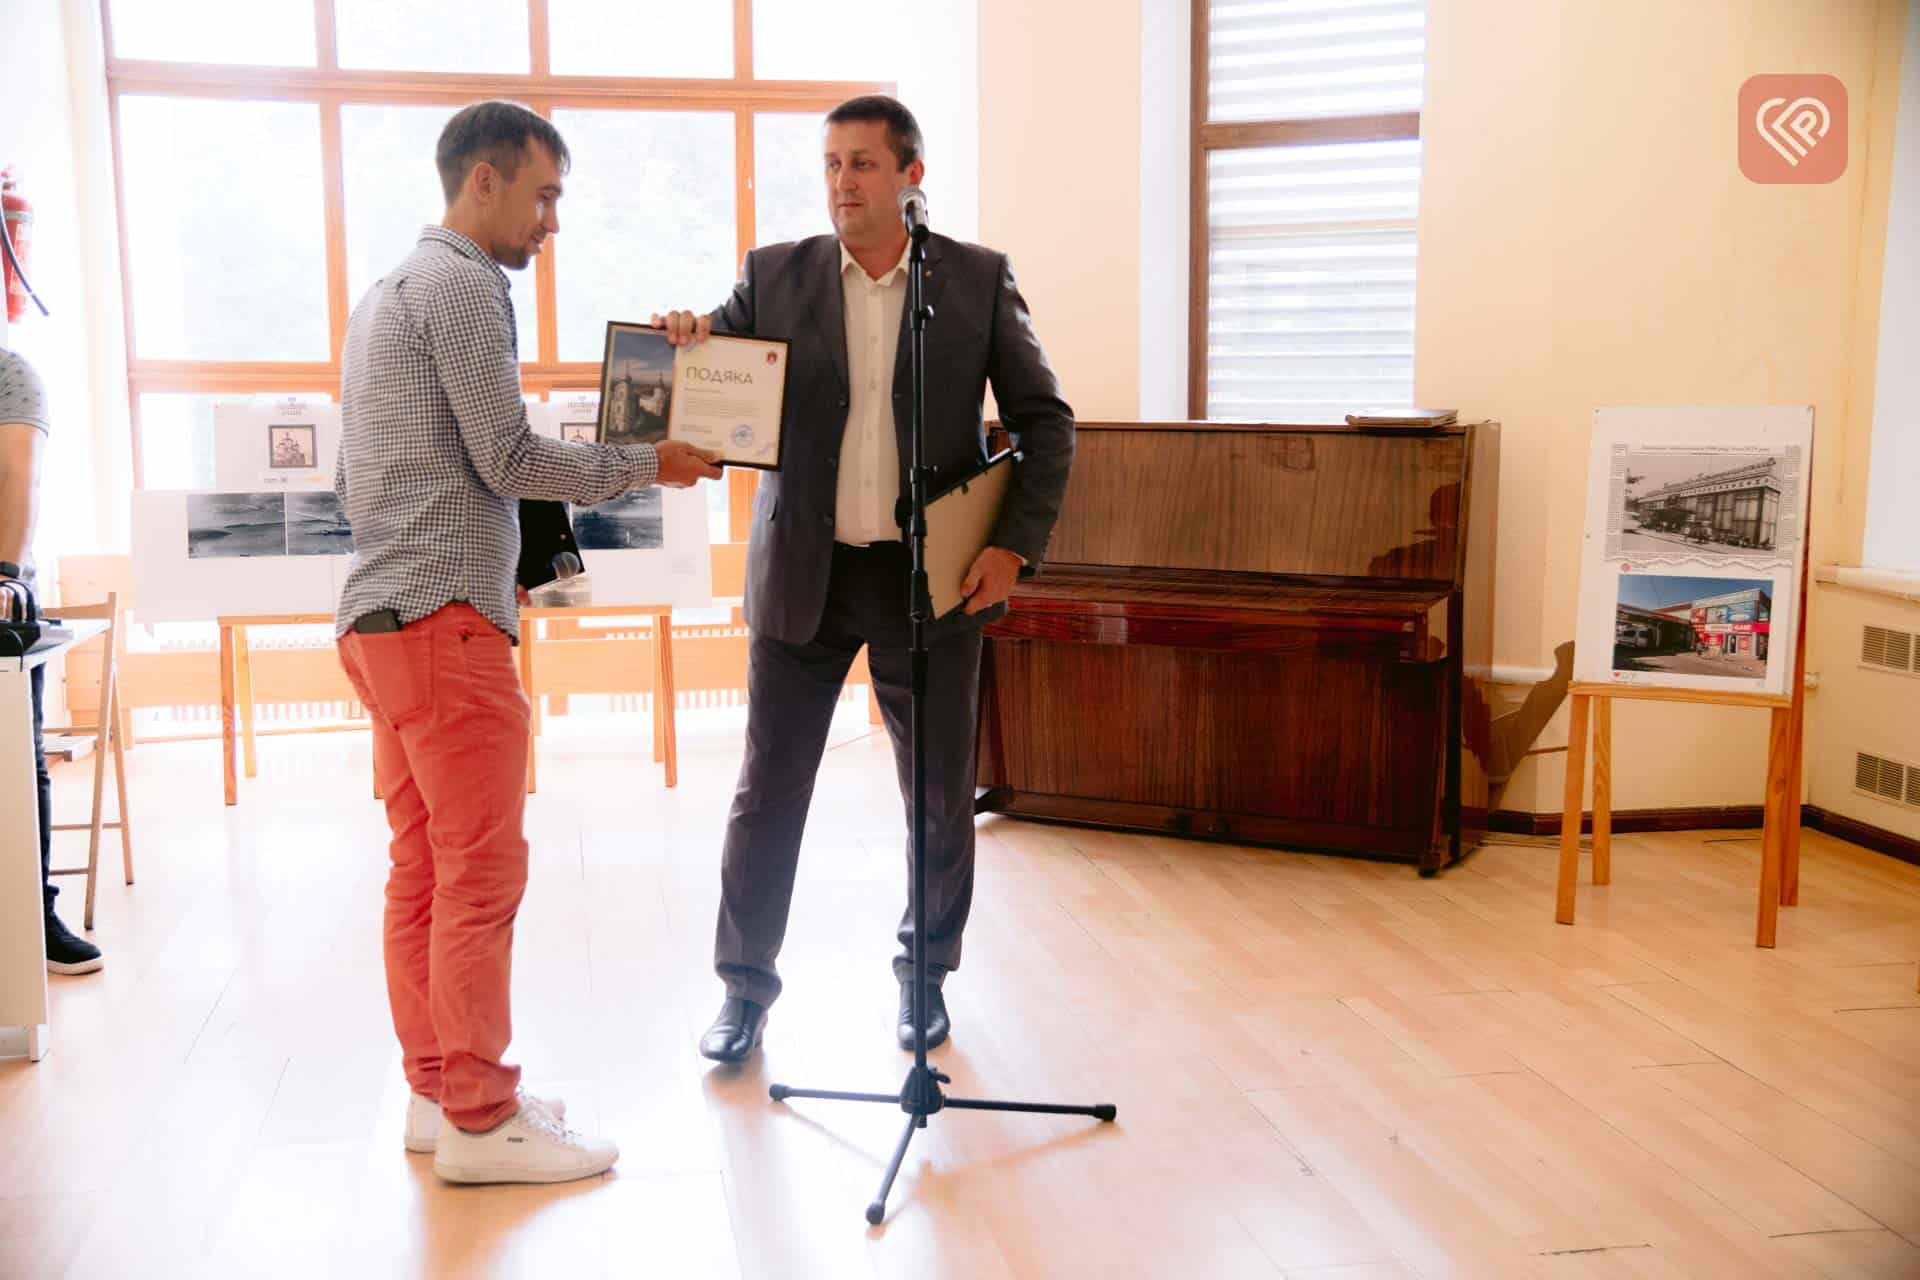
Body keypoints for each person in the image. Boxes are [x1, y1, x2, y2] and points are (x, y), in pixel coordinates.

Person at [333, 100, 721, 1185]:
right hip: (444, 626)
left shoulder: (384, 294)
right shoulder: (465, 285)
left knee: (424, 869)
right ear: (485, 180)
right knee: (481, 872)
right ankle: (481, 1117)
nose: (553, 221)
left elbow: (353, 484)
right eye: (544, 195)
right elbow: (508, 459)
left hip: (381, 621)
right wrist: (650, 464)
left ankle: (437, 1093)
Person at [656, 95, 1075, 1063]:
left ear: (911, 175)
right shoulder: (774, 274)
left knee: (938, 794)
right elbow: (711, 376)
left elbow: (1046, 423)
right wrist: (683, 337)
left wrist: (1013, 545)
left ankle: (925, 976)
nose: (842, 183)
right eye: (832, 164)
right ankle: (743, 990)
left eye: (863, 164)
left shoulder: (975, 280)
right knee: (768, 792)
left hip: (932, 581)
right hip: (805, 576)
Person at [0, 344, 103, 976]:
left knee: (17, 760)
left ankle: (34, 917)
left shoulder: (10, 374)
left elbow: (21, 474)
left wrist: (5, 575)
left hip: (4, 598)